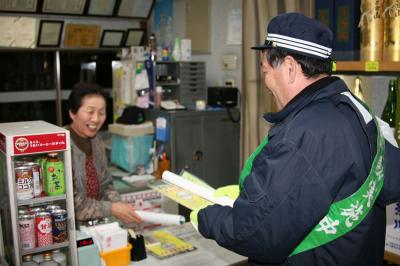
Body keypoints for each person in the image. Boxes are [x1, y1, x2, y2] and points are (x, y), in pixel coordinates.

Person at [191, 12, 400, 265]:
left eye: (266, 70)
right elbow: (391, 183)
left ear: (289, 68)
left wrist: (206, 216)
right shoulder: (357, 109)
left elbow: (257, 234)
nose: (266, 83)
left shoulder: (306, 133)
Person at [67, 83, 143, 225]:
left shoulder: (97, 142)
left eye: (101, 113)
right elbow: (72, 205)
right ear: (72, 112)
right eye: (90, 112)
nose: (96, 119)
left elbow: (106, 184)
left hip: (95, 225)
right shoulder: (61, 147)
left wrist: (121, 207)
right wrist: (113, 208)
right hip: (71, 230)